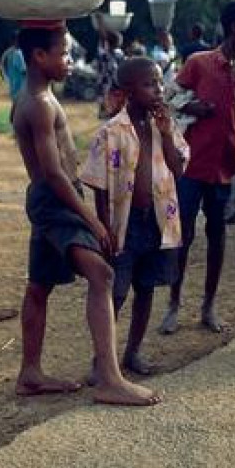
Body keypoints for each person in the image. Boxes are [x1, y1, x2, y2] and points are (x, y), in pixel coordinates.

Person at [11, 25, 160, 406]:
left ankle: (30, 373)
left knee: (39, 284)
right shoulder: (39, 104)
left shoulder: (34, 96)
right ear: (38, 57)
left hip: (48, 200)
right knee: (102, 273)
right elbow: (54, 173)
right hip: (56, 200)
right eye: (63, 54)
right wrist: (92, 220)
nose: (70, 62)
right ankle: (110, 378)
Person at [81, 57, 188, 375]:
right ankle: (103, 360)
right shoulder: (111, 131)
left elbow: (178, 169)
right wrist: (103, 227)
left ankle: (133, 351)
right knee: (116, 292)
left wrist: (168, 134)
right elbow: (99, 185)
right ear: (128, 90)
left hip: (159, 220)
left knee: (147, 287)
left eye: (159, 82)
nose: (157, 89)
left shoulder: (165, 125)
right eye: (148, 84)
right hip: (124, 225)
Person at [160, 0, 235, 335]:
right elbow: (167, 96)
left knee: (217, 236)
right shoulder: (199, 63)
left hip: (227, 166)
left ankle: (209, 305)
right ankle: (174, 304)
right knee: (183, 235)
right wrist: (193, 106)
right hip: (192, 165)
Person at [95, 29, 124, 118]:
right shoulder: (120, 55)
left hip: (106, 88)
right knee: (116, 115)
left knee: (107, 116)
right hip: (117, 88)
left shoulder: (103, 56)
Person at [0, 36, 27, 101]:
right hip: (21, 87)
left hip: (14, 87)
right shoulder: (18, 54)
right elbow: (24, 70)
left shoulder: (10, 54)